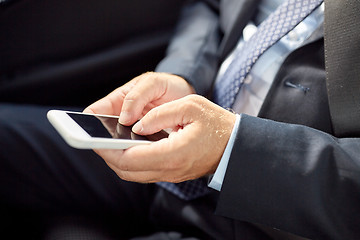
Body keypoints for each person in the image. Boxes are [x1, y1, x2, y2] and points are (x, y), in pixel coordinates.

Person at [1, 0, 359, 240]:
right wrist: (182, 77)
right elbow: (209, 6)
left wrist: (231, 149)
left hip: (278, 216)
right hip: (163, 146)